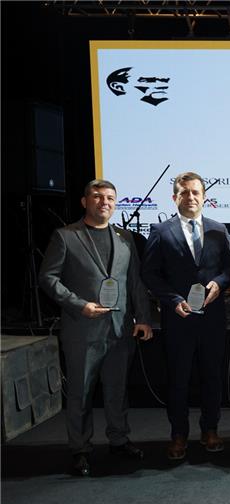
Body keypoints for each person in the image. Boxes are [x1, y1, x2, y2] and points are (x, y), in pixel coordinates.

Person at [39, 179, 153, 476]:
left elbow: (135, 282)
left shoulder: (125, 238)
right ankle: (80, 449)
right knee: (81, 392)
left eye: (110, 198)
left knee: (117, 390)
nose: (105, 202)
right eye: (98, 197)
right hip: (82, 329)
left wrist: (143, 318)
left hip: (119, 329)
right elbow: (48, 278)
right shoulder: (66, 236)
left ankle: (119, 440)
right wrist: (79, 305)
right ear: (84, 201)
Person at [141, 172, 230, 460]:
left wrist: (219, 283)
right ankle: (179, 435)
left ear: (204, 197)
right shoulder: (160, 231)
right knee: (178, 380)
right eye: (184, 192)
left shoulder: (219, 229)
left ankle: (210, 430)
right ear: (175, 198)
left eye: (195, 192)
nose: (190, 197)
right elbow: (150, 274)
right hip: (178, 319)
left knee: (212, 377)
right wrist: (173, 300)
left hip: (212, 319)